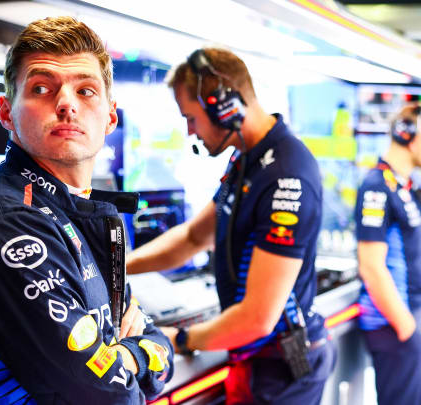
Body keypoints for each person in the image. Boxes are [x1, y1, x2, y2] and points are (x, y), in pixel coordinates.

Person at [0, 16, 173, 404]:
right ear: (7, 113)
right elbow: (111, 394)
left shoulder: (73, 209)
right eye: (42, 88)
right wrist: (141, 355)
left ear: (110, 116)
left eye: (86, 91)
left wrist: (132, 353)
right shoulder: (9, 222)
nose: (66, 104)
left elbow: (149, 335)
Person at [126, 47, 336, 404]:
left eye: (191, 117)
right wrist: (117, 267)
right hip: (258, 362)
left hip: (281, 369)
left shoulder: (285, 174)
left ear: (224, 106)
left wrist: (179, 339)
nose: (190, 131)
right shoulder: (248, 160)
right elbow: (194, 236)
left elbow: (257, 318)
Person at [354, 102, 421, 405]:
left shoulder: (403, 185)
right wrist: (405, 326)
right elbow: (371, 266)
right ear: (408, 135)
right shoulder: (377, 187)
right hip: (394, 325)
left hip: (411, 318)